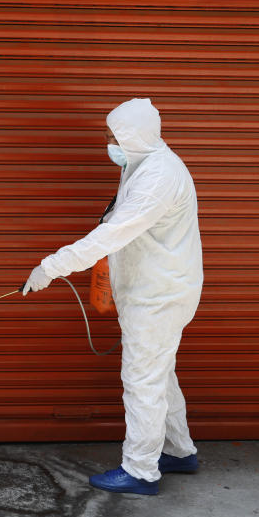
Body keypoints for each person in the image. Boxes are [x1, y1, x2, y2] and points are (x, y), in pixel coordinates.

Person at [22, 97, 203, 496]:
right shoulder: (143, 162)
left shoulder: (157, 177)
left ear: (134, 137)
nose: (108, 144)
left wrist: (50, 267)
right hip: (155, 290)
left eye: (112, 137)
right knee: (159, 374)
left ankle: (140, 471)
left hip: (158, 297)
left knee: (142, 380)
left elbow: (110, 235)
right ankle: (179, 450)